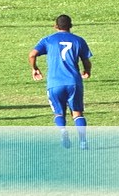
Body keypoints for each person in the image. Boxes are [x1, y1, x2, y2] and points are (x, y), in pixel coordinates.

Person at [28, 15, 92, 150]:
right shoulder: (78, 40)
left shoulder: (48, 40)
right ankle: (83, 142)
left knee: (59, 113)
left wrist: (35, 69)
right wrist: (86, 70)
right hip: (73, 82)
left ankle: (63, 131)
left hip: (54, 83)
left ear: (55, 26)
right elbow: (86, 60)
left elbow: (32, 54)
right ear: (71, 26)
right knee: (77, 113)